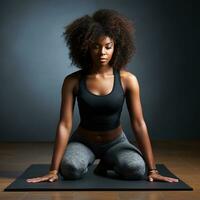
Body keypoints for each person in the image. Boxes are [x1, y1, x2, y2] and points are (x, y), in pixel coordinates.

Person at [26, 9, 179, 183]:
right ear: (85, 47)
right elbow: (64, 124)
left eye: (108, 46)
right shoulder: (73, 81)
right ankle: (90, 161)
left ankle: (106, 162)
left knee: (136, 170)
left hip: (116, 143)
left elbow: (138, 123)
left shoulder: (128, 80)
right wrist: (53, 170)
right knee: (70, 169)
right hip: (83, 142)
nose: (102, 53)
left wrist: (153, 169)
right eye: (96, 46)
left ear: (117, 47)